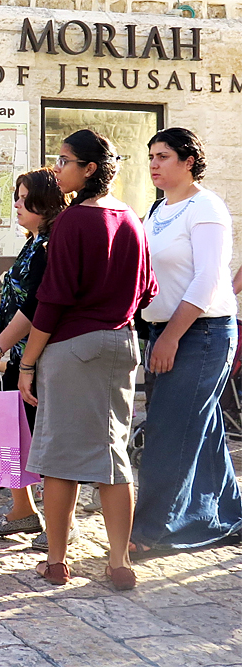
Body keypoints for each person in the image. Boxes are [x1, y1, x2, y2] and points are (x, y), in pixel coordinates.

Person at [16, 130, 157, 591]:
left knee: (61, 458)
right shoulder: (132, 219)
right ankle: (118, 563)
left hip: (74, 346)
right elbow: (148, 291)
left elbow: (51, 301)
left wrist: (27, 362)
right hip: (122, 343)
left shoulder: (72, 221)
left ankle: (57, 562)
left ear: (89, 169)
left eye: (64, 159)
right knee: (113, 456)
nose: (57, 168)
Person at [132, 127, 242, 556]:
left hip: (204, 333)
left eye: (163, 156)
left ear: (188, 161)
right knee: (204, 426)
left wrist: (171, 337)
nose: (154, 164)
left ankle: (150, 531)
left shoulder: (207, 206)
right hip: (162, 331)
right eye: (151, 157)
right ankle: (229, 515)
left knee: (170, 430)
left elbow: (209, 278)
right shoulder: (157, 211)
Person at [0, 169, 68, 546]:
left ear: (43, 201)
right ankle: (22, 509)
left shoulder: (49, 247)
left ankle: (61, 521)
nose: (15, 203)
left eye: (22, 196)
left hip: (39, 356)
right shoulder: (34, 243)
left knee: (42, 437)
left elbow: (35, 305)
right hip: (18, 355)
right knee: (7, 431)